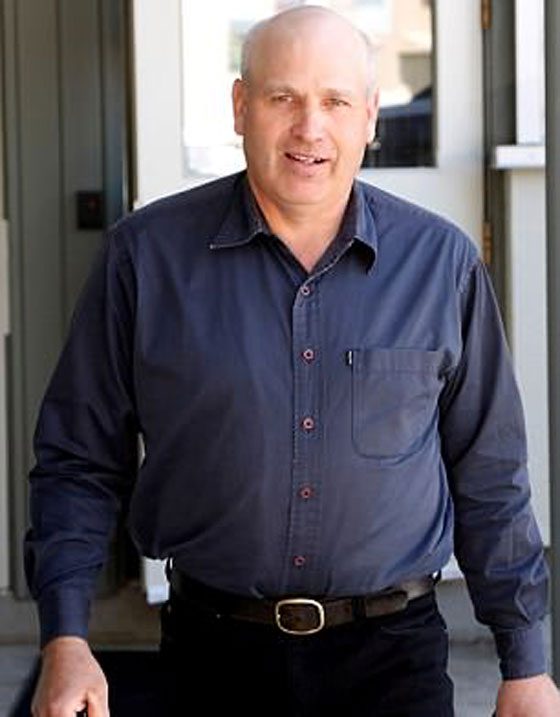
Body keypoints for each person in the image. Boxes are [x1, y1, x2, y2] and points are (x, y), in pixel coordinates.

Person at [26, 5, 560, 716]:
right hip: (211, 656)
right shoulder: (144, 259)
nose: (310, 128)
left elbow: (489, 474)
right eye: (284, 98)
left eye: (335, 101)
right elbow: (78, 460)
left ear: (370, 116)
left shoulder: (442, 265)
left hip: (393, 661)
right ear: (241, 107)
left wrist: (526, 664)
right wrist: (65, 637)